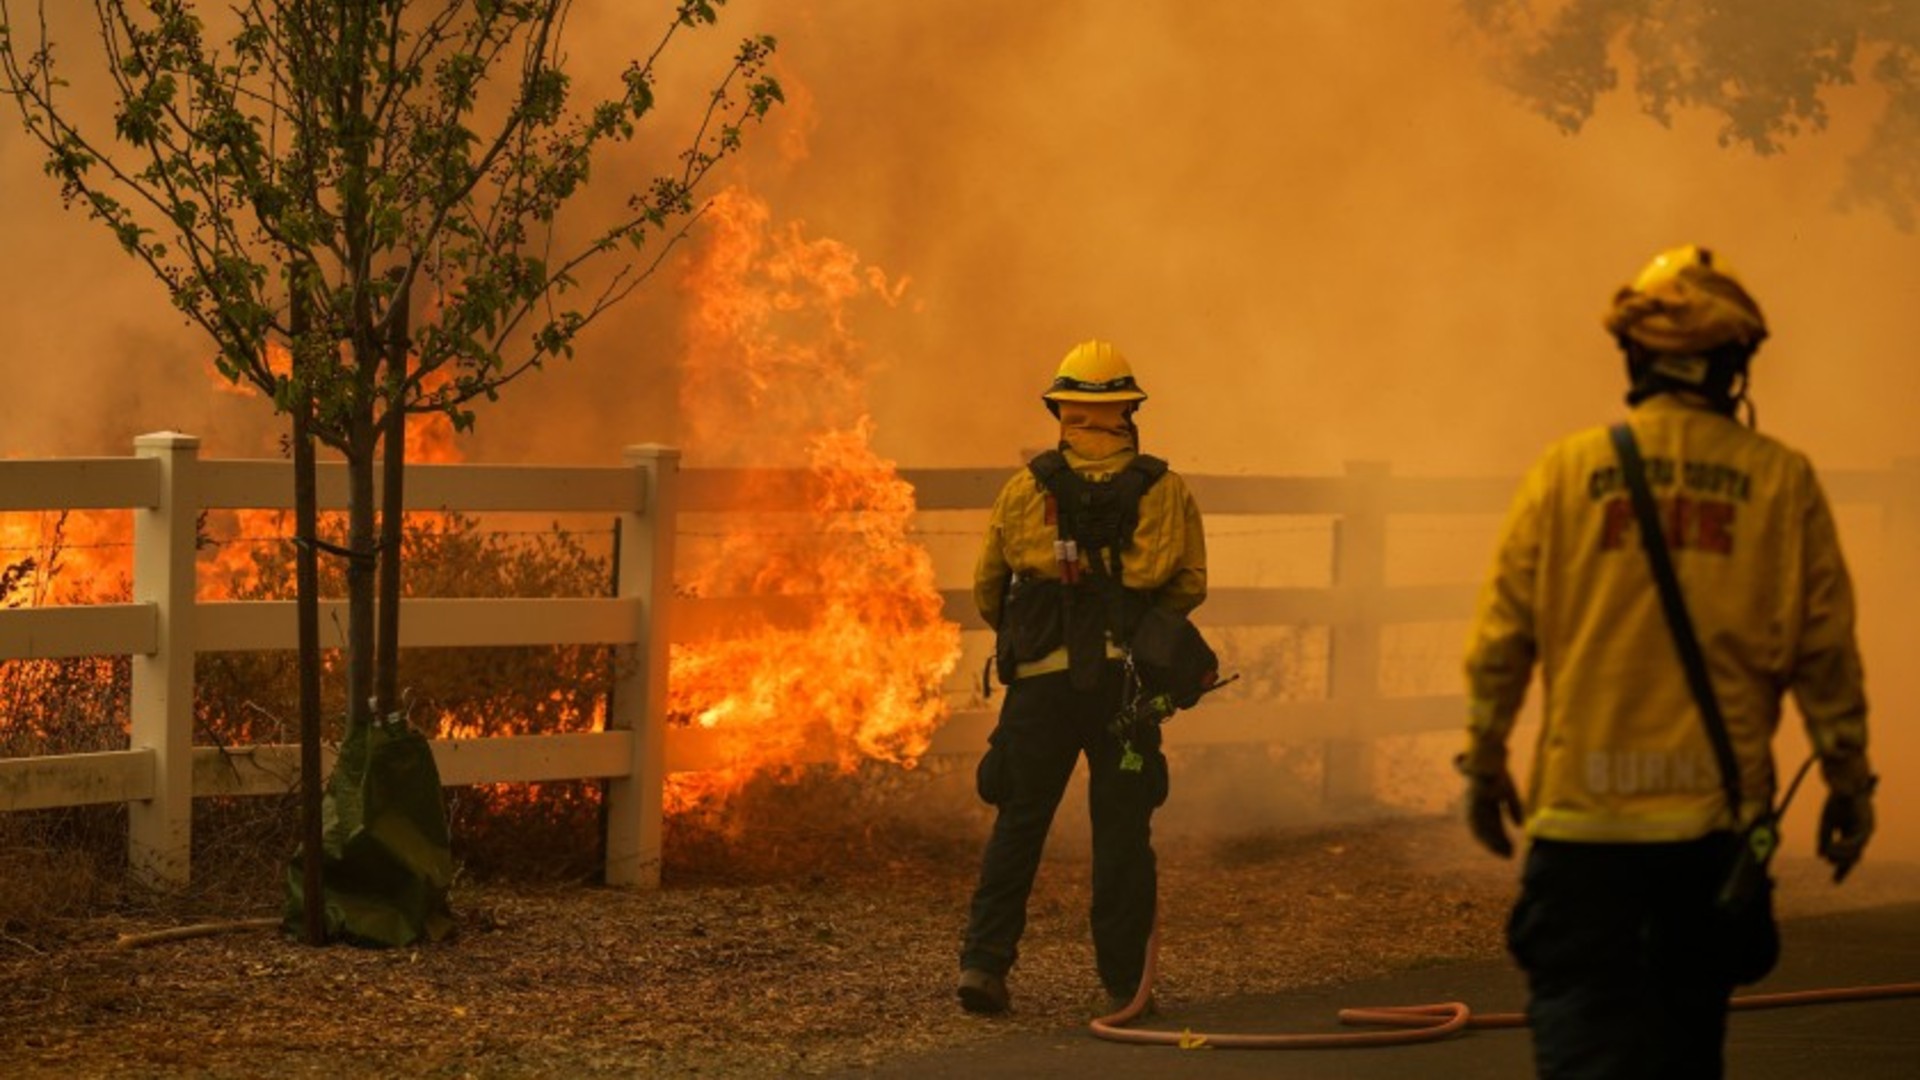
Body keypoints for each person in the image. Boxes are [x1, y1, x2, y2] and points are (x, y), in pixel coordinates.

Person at [1459, 245, 1879, 1078]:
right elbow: (1824, 652)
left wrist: (1485, 758)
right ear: (1734, 365)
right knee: (1687, 1052)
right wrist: (1847, 779)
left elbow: (1502, 635)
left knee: (1582, 1053)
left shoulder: (1565, 472)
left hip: (1582, 836)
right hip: (1708, 845)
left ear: (1635, 356)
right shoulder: (1780, 482)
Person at [956, 339, 1208, 1015]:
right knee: (1123, 831)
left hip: (1040, 688)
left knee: (1019, 822)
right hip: (1125, 690)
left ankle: (984, 967)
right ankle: (1126, 985)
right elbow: (1188, 584)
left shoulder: (1024, 488)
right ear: (1128, 409)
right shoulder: (1165, 490)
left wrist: (1037, 637)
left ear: (1061, 410)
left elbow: (988, 589)